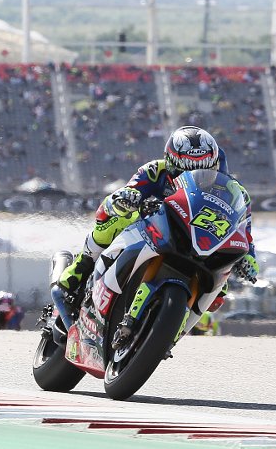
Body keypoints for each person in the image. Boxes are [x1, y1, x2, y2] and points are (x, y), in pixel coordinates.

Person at [53, 126, 259, 340]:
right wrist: (128, 198)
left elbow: (244, 231)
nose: (195, 174)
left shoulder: (235, 191)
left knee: (219, 294)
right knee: (115, 217)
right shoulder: (154, 171)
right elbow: (130, 190)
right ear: (171, 162)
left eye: (203, 168)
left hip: (199, 243)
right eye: (186, 168)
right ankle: (81, 266)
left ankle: (172, 330)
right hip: (154, 229)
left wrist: (250, 259)